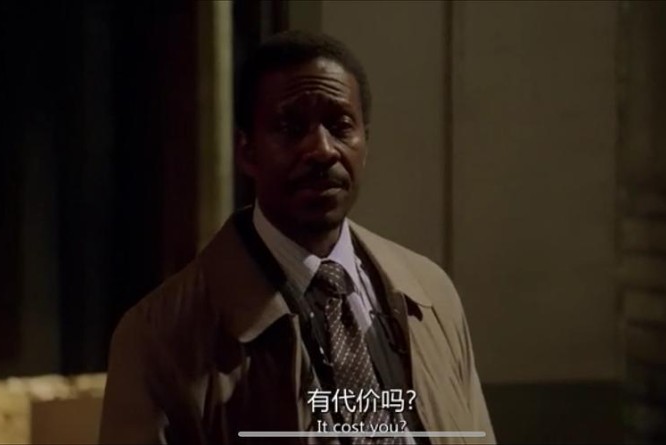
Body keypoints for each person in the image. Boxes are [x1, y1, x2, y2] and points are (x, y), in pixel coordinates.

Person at [99, 30, 495, 445]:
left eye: (340, 126)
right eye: (290, 127)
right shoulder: (160, 336)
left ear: (366, 141)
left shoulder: (430, 296)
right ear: (247, 151)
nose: (322, 150)